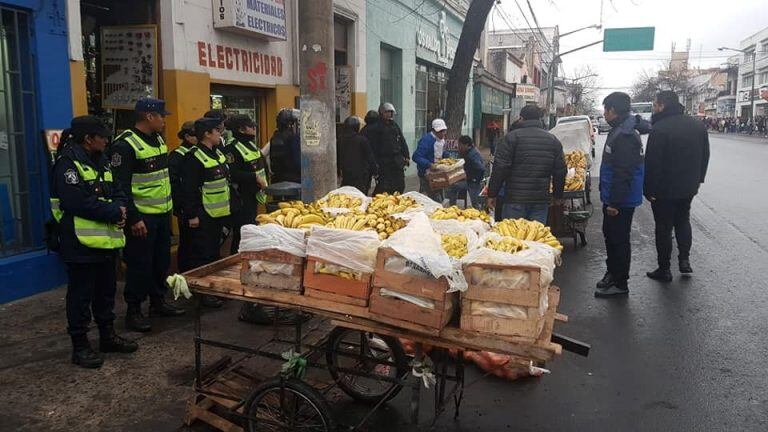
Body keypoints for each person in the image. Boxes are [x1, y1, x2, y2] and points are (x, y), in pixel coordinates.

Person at [51, 116, 137, 368]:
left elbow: (119, 190)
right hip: (80, 245)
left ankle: (107, 336)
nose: (107, 140)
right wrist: (114, 213)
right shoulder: (67, 164)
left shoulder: (103, 160)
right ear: (88, 139)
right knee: (80, 296)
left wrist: (122, 209)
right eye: (102, 136)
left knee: (106, 292)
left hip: (107, 244)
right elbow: (76, 202)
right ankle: (80, 346)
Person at [109, 98, 184, 333]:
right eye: (162, 116)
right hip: (141, 218)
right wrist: (133, 218)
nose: (164, 120)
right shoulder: (125, 145)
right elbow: (119, 186)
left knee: (160, 261)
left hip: (161, 214)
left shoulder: (158, 139)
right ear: (149, 116)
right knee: (139, 265)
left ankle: (158, 301)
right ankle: (134, 311)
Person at [644, 91, 710, 282]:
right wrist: (699, 179)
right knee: (683, 220)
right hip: (688, 186)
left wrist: (648, 190)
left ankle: (664, 269)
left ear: (662, 106)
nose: (653, 108)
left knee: (663, 228)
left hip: (664, 189)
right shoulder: (697, 125)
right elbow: (705, 155)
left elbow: (652, 163)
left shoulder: (659, 128)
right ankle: (684, 261)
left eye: (655, 105)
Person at [178, 117, 235, 310]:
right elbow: (189, 189)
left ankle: (212, 289)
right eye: (217, 131)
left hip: (218, 214)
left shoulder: (216, 153)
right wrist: (192, 215)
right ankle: (202, 294)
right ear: (207, 134)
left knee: (213, 254)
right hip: (203, 216)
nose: (221, 134)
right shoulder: (194, 158)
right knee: (202, 255)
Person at [594, 92, 645, 298]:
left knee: (619, 239)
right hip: (615, 197)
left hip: (620, 200)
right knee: (610, 236)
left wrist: (614, 202)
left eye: (605, 109)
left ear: (613, 110)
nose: (604, 114)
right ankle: (612, 272)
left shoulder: (624, 135)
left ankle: (621, 282)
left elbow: (623, 172)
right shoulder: (620, 130)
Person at [486, 105, 566, 224]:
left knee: (514, 239)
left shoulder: (511, 138)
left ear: (521, 118)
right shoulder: (552, 140)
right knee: (536, 237)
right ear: (540, 119)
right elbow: (560, 171)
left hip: (515, 199)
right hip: (540, 200)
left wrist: (492, 194)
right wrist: (557, 196)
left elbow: (500, 168)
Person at [222, 114, 268, 255]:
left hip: (254, 195)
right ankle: (236, 258)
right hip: (241, 198)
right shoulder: (232, 149)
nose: (254, 128)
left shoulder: (250, 144)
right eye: (250, 126)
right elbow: (233, 173)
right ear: (241, 130)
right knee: (242, 233)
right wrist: (254, 177)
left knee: (251, 230)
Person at [169, 121, 197, 272]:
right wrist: (181, 208)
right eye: (194, 135)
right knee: (187, 244)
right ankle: (185, 274)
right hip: (184, 208)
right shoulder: (177, 156)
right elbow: (175, 185)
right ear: (186, 136)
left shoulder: (198, 152)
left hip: (197, 207)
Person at [369, 103, 410, 194]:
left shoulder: (394, 125)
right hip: (384, 163)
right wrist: (375, 164)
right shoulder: (377, 127)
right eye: (387, 112)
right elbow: (374, 147)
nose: (389, 114)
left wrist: (406, 156)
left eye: (390, 112)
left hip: (397, 161)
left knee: (400, 185)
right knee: (384, 188)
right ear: (381, 113)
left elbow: (402, 141)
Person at [337, 115, 378, 194]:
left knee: (348, 196)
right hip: (361, 175)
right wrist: (375, 172)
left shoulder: (340, 140)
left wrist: (339, 171)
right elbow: (370, 157)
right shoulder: (362, 140)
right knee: (360, 197)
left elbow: (338, 157)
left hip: (346, 174)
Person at [413, 118, 450, 202]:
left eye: (444, 131)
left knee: (440, 196)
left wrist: (446, 156)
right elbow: (416, 156)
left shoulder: (442, 140)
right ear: (433, 131)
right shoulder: (426, 140)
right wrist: (429, 164)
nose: (442, 133)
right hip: (426, 175)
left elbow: (440, 153)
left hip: (438, 173)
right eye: (440, 131)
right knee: (429, 199)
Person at [447, 136, 486, 209]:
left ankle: (480, 215)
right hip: (469, 181)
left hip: (474, 182)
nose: (459, 147)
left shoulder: (471, 155)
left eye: (460, 145)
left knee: (475, 203)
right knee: (454, 186)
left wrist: (471, 177)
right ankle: (452, 207)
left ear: (466, 145)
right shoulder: (469, 152)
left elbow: (481, 168)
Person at [269, 108, 301, 184]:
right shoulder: (293, 138)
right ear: (290, 124)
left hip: (277, 178)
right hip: (293, 179)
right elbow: (297, 161)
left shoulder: (274, 137)